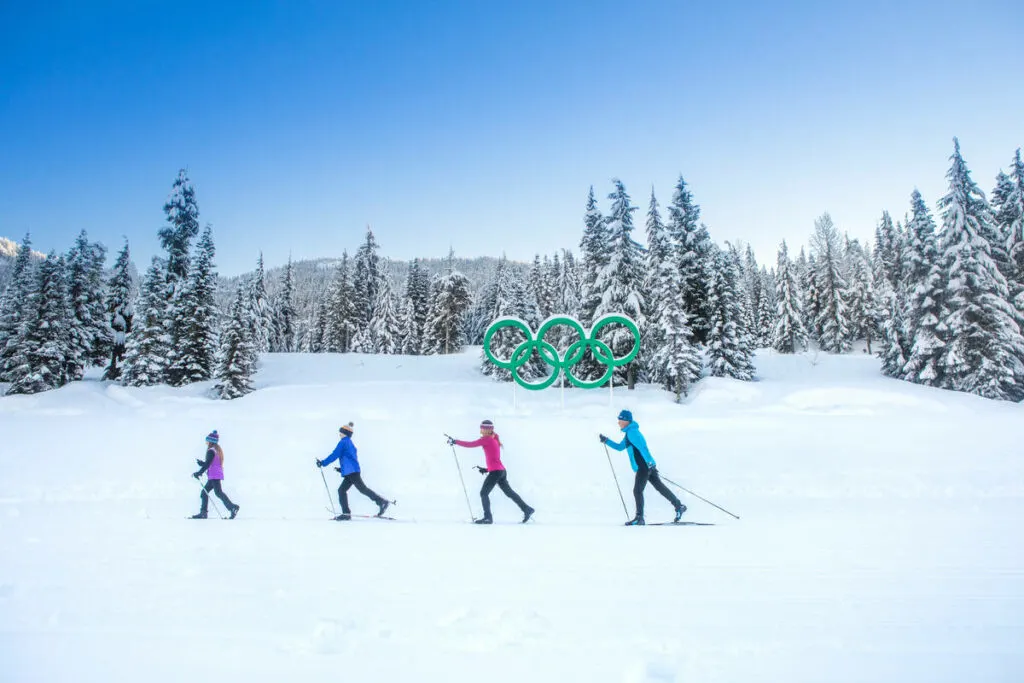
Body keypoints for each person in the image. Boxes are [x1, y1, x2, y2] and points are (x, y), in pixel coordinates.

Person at [600, 410, 685, 526]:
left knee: (637, 490)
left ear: (626, 421)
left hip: (644, 466)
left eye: (620, 420)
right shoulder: (630, 433)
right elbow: (620, 447)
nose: (618, 422)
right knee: (659, 487)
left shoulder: (632, 433)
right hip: (646, 465)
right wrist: (606, 441)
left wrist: (649, 463)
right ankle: (679, 506)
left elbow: (643, 448)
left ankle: (639, 518)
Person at [448, 419, 534, 524]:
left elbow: (471, 444)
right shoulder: (493, 439)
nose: (482, 430)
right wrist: (487, 469)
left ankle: (488, 518)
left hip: (496, 472)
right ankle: (527, 509)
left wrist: (455, 441)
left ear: (489, 430)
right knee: (509, 493)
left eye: (484, 428)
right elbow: (494, 459)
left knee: (483, 493)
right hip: (501, 471)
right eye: (481, 428)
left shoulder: (487, 439)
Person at [316, 422, 390, 520]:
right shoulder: (350, 444)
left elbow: (335, 454)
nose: (339, 434)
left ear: (345, 433)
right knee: (342, 490)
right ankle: (346, 513)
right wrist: (342, 469)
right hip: (352, 471)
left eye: (341, 432)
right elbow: (350, 459)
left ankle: (381, 502)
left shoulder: (343, 442)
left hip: (352, 472)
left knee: (361, 489)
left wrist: (323, 463)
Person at [191, 430, 240, 519]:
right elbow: (210, 463)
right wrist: (202, 463)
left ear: (210, 441)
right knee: (205, 493)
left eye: (207, 441)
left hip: (214, 475)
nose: (206, 442)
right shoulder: (216, 450)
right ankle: (203, 513)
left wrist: (199, 473)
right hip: (215, 474)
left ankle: (232, 507)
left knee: (218, 493)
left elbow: (208, 464)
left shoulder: (211, 451)